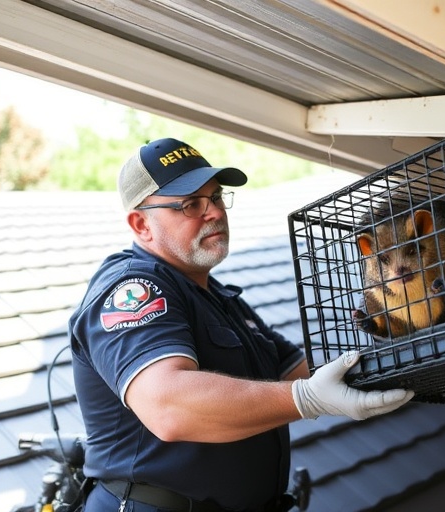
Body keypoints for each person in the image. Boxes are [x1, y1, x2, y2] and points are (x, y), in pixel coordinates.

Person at [68, 138, 415, 512]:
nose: (215, 212)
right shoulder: (132, 287)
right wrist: (305, 399)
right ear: (142, 225)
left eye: (216, 197)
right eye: (191, 204)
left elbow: (306, 371)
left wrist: (421, 357)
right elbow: (168, 406)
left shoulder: (218, 297)